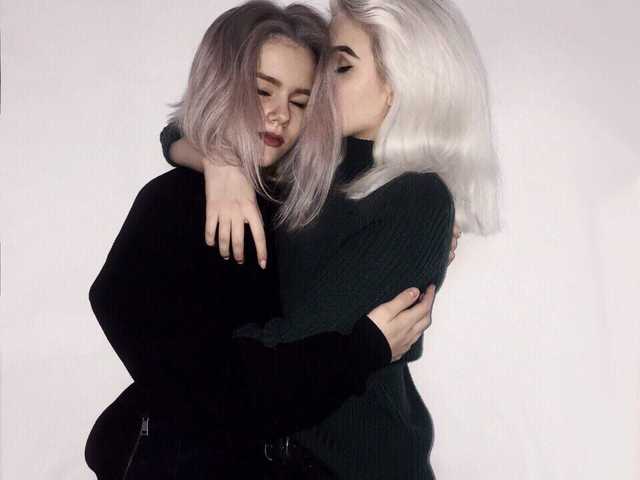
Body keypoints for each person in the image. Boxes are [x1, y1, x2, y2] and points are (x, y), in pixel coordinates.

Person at [84, 2, 442, 479]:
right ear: (224, 85)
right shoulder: (172, 204)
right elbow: (222, 393)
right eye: (262, 91)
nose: (279, 115)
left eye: (300, 101)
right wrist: (366, 350)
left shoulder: (298, 200)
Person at [159, 0, 500, 478]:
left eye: (341, 67)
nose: (319, 84)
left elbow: (290, 352)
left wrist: (199, 363)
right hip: (279, 453)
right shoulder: (314, 161)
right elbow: (179, 128)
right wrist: (223, 163)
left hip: (358, 464)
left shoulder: (417, 197)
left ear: (399, 83)